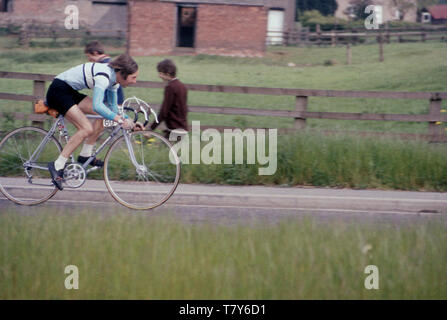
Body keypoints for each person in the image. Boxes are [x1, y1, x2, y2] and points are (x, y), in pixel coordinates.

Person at [45, 53, 139, 190]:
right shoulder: (104, 77)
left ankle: (85, 154)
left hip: (70, 92)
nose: (135, 81)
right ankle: (57, 165)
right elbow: (97, 106)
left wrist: (128, 120)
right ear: (123, 73)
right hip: (59, 91)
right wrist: (118, 119)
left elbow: (112, 108)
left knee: (106, 114)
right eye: (133, 77)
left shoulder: (114, 82)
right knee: (86, 128)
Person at [150, 59, 188, 139]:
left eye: (160, 73)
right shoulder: (182, 86)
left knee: (166, 150)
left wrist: (151, 128)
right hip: (183, 128)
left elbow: (164, 111)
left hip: (174, 129)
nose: (159, 76)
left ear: (167, 74)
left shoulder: (170, 87)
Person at [84, 41, 125, 105]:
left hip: (109, 102)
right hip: (116, 100)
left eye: (88, 56)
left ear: (95, 53)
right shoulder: (110, 62)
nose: (88, 59)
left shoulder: (103, 66)